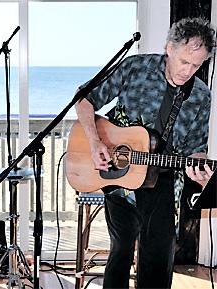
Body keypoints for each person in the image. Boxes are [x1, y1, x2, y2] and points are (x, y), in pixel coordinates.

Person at [75, 17, 215, 288]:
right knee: (122, 250)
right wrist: (95, 142)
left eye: (196, 65)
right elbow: (83, 99)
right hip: (118, 172)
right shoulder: (135, 67)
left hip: (162, 179)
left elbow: (197, 148)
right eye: (184, 61)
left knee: (158, 257)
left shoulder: (201, 95)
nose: (188, 71)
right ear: (169, 48)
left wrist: (198, 170)